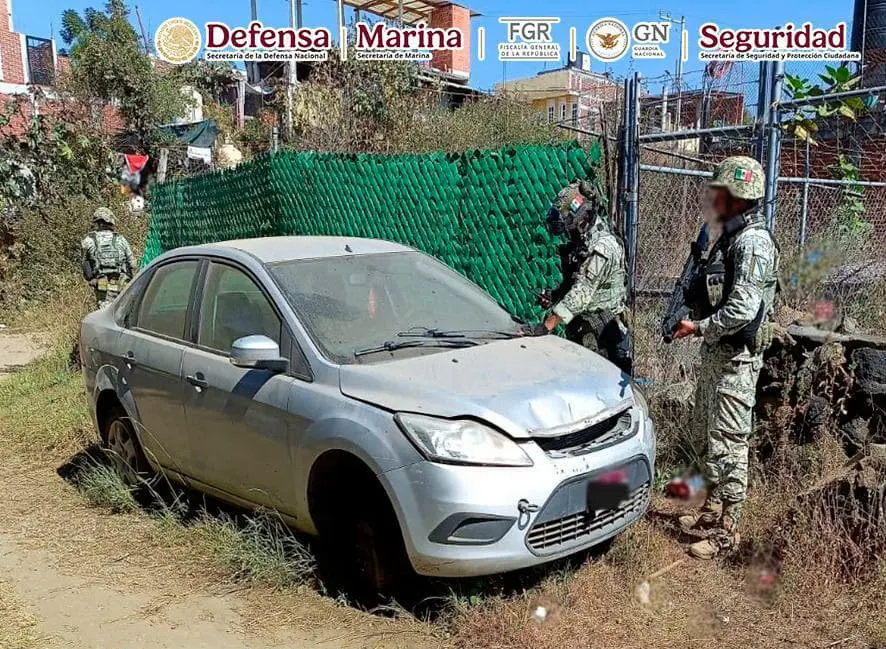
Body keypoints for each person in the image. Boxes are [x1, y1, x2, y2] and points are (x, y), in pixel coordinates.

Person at [670, 156, 780, 560]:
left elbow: (742, 310)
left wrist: (698, 328)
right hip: (718, 356)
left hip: (737, 361)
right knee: (707, 435)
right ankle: (712, 510)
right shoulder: (730, 237)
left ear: (739, 197)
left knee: (731, 442)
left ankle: (727, 532)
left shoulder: (753, 242)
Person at [526, 181, 632, 374]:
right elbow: (575, 283)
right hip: (587, 327)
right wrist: (554, 295)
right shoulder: (583, 243)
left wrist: (546, 326)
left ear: (582, 218)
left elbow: (582, 292)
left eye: (570, 226)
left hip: (605, 333)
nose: (568, 232)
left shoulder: (603, 247)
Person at [81, 207, 137, 309]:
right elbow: (133, 264)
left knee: (105, 313)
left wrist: (91, 279)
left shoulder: (88, 241)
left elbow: (84, 263)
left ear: (98, 223)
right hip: (122, 285)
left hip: (102, 288)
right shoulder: (121, 240)